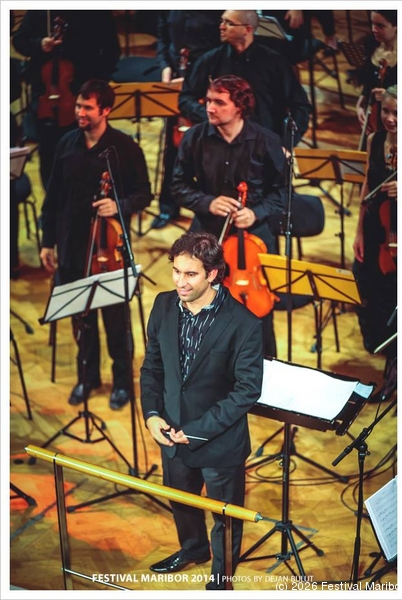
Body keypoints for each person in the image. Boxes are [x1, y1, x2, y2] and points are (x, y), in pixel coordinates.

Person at [140, 231, 263, 589]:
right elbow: (152, 368)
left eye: (190, 274)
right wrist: (152, 415)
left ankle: (221, 581)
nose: (180, 282)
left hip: (219, 441)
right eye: (176, 271)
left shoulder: (245, 324)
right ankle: (193, 549)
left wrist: (194, 431)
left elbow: (246, 391)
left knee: (225, 517)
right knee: (181, 502)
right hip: (170, 432)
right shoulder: (163, 305)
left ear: (212, 274)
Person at [40, 79, 152, 409]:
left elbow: (144, 193)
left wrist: (119, 206)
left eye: (87, 107)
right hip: (72, 246)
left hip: (110, 251)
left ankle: (122, 383)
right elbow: (53, 196)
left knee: (116, 322)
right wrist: (48, 242)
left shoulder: (124, 148)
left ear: (105, 110)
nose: (80, 112)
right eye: (78, 106)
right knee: (81, 319)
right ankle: (87, 377)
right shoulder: (66, 143)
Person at [172, 74, 286, 358]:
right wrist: (207, 202)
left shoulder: (266, 141)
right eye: (208, 101)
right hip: (207, 236)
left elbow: (284, 193)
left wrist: (256, 212)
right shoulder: (194, 138)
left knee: (257, 316)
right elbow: (177, 186)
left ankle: (262, 367)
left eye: (219, 102)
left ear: (240, 107)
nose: (210, 108)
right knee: (202, 310)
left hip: (254, 238)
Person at [12, 10, 121, 190]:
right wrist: (39, 44)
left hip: (85, 93)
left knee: (85, 154)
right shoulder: (42, 9)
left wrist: (97, 86)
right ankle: (51, 200)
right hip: (47, 95)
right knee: (49, 154)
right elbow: (20, 41)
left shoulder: (96, 11)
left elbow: (112, 51)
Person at [179, 9, 311, 149]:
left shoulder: (274, 62)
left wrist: (285, 144)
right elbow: (186, 98)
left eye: (229, 23)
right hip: (221, 144)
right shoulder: (211, 60)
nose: (221, 27)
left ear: (247, 29)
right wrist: (210, 115)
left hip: (263, 145)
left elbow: (300, 106)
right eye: (222, 21)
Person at [150, 10, 222, 229]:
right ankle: (168, 206)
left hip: (208, 83)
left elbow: (223, 46)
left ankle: (210, 207)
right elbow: (163, 39)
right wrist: (165, 65)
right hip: (177, 78)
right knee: (174, 148)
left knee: (211, 149)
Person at [353, 85, 397, 403]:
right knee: (369, 290)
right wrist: (358, 231)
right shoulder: (375, 140)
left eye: (397, 113)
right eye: (386, 111)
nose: (390, 118)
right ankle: (386, 355)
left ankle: (394, 373)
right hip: (376, 230)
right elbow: (368, 183)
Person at [355, 11, 397, 150]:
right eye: (372, 24)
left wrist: (389, 95)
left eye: (380, 26)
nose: (374, 29)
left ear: (396, 26)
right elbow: (368, 81)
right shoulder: (371, 45)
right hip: (374, 114)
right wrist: (360, 104)